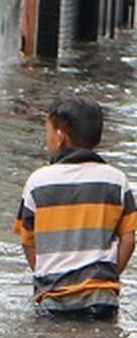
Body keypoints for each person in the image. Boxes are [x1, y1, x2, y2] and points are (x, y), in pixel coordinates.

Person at [14, 96, 137, 317]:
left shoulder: (38, 182)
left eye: (48, 132)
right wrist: (107, 277)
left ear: (60, 136)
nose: (47, 140)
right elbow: (129, 238)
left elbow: (28, 239)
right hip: (102, 298)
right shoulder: (117, 180)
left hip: (53, 297)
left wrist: (48, 276)